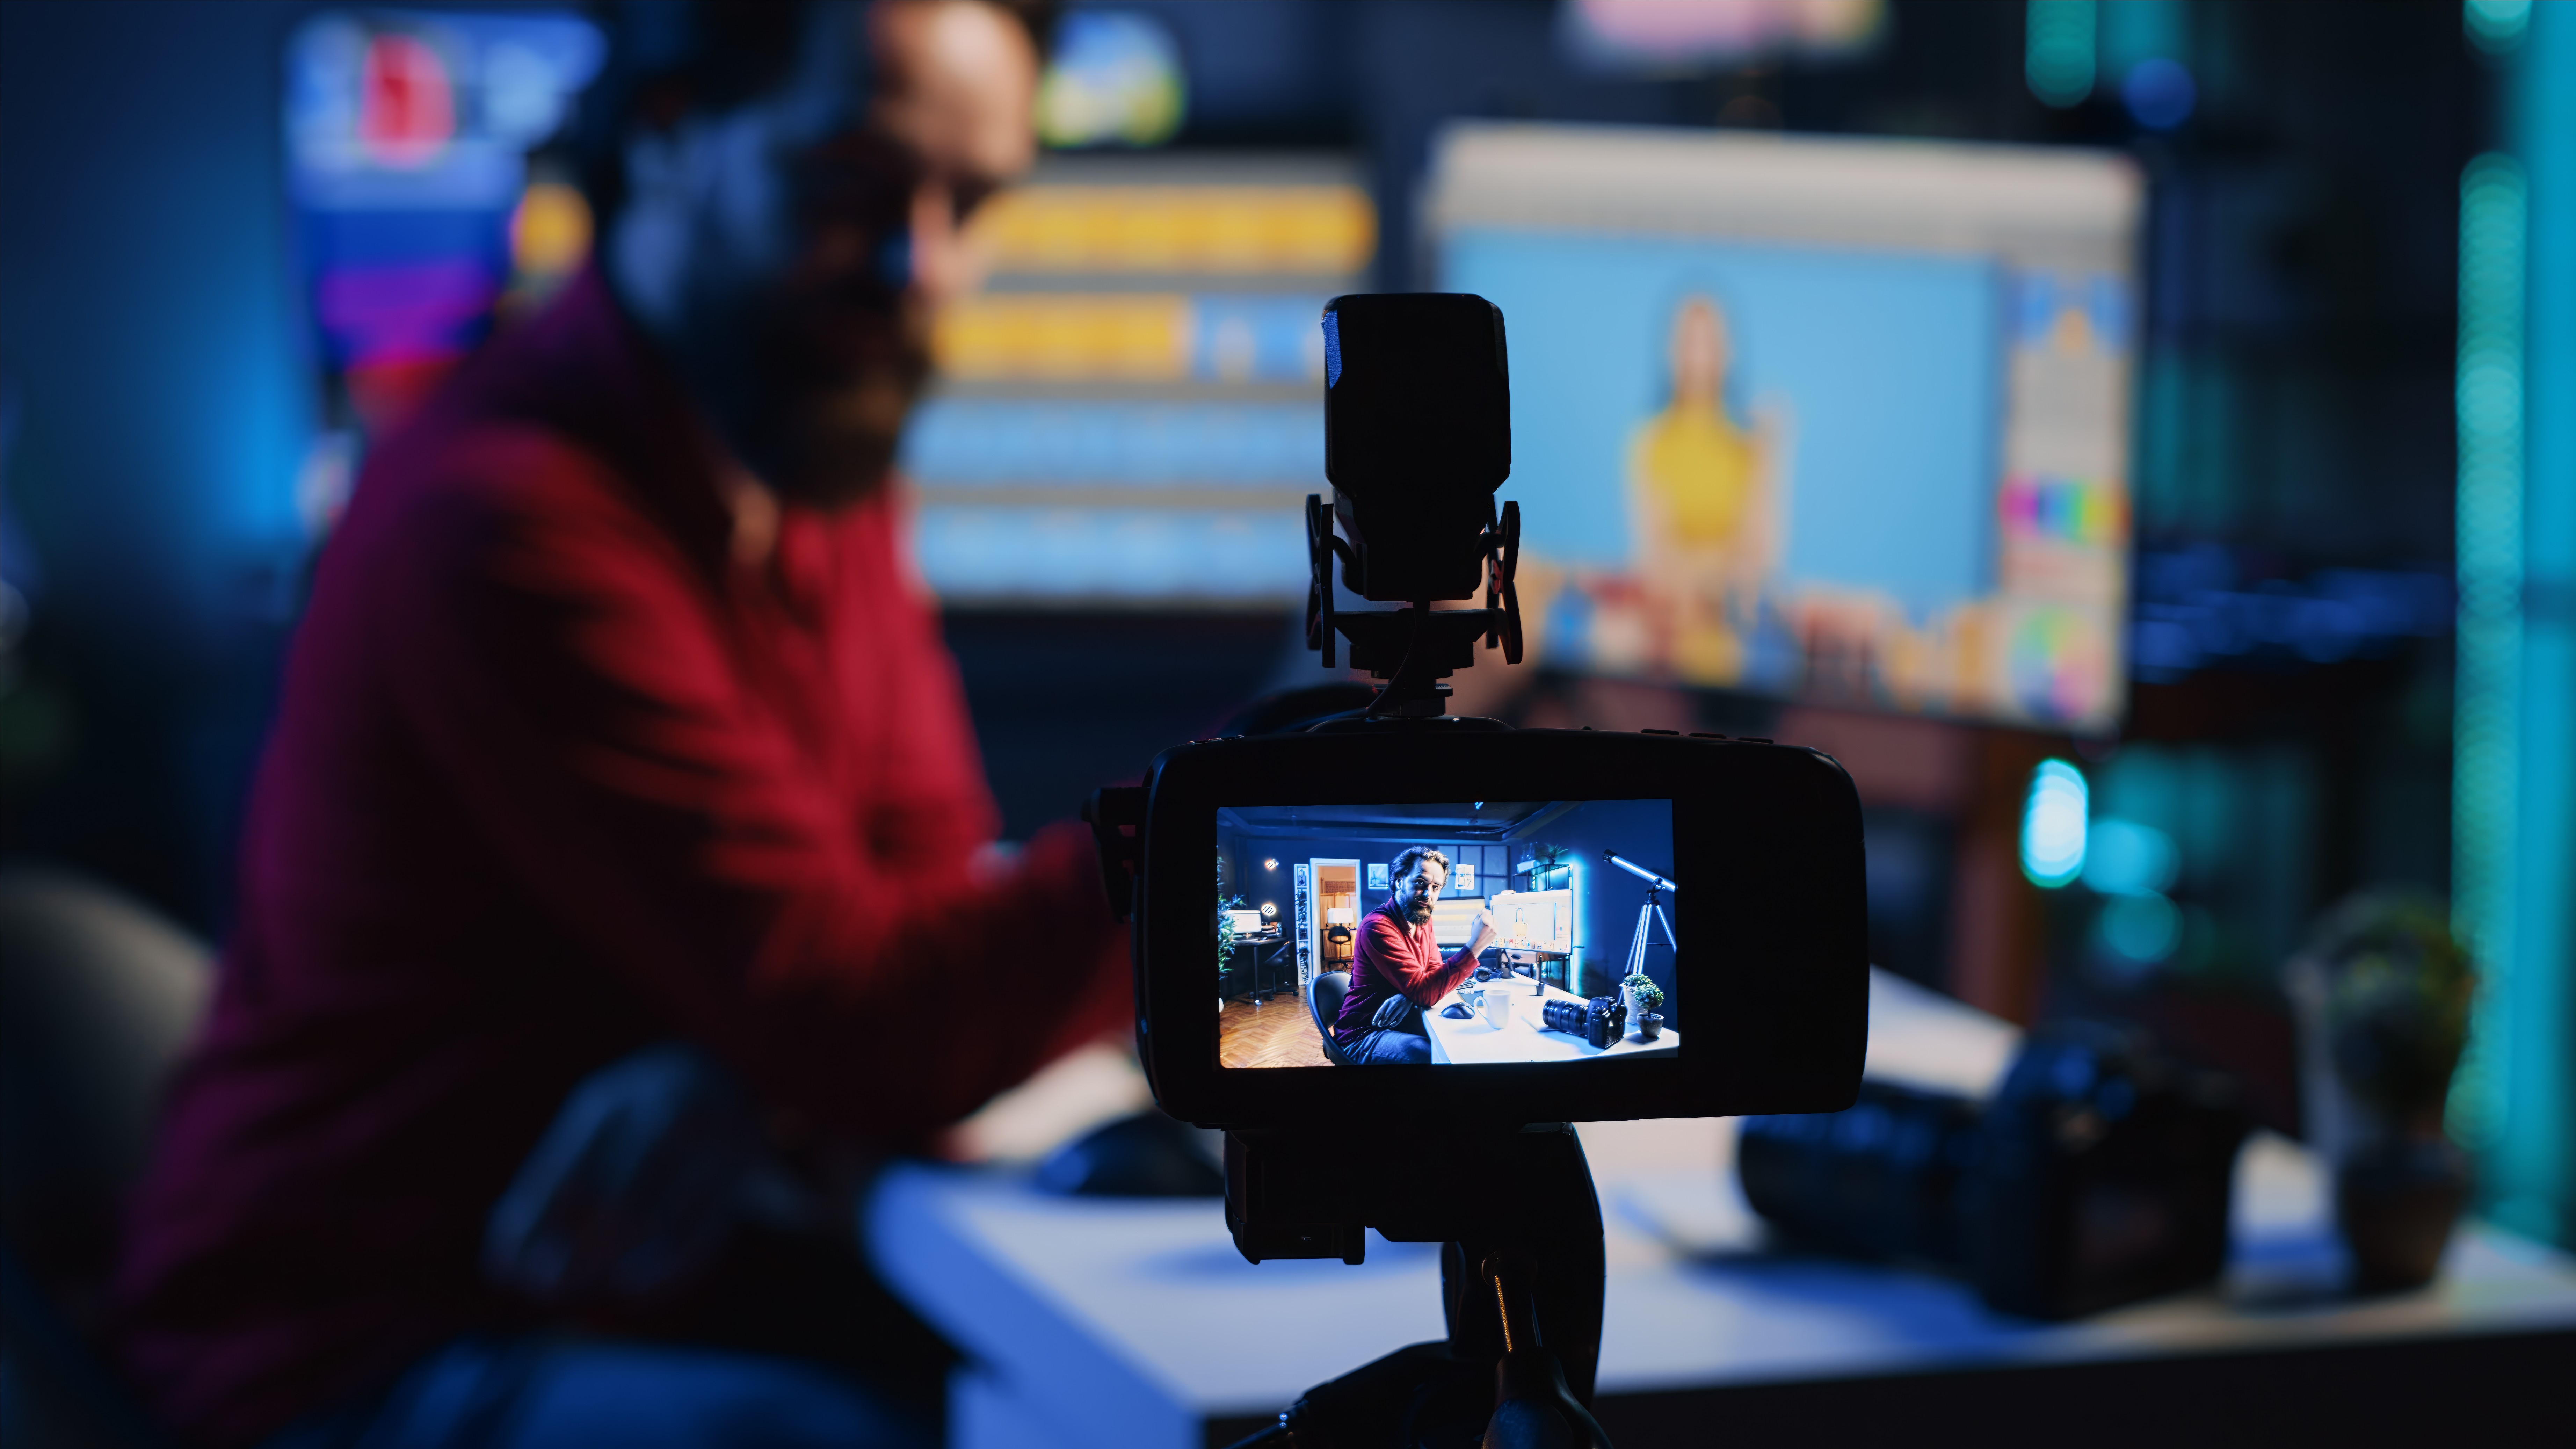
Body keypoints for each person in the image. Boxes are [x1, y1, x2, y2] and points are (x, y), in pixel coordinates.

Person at [110, 4, 1120, 1447]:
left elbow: (919, 882)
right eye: (851, 191)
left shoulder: (802, 434)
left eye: (974, 205)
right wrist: (1247, 808)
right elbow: (876, 1017)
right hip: (357, 1347)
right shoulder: (505, 520)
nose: (924, 271)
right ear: (665, 138)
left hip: (633, 1285)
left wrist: (754, 1070)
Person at [1626, 292, 1787, 684]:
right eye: (1689, 342)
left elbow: (1763, 563)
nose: (1699, 356)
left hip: (1745, 652)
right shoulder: (1652, 442)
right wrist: (1718, 570)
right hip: (1673, 652)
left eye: (1709, 342)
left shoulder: (1748, 447)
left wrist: (1772, 454)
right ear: (1671, 350)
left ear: (1727, 352)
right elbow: (1655, 563)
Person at [1330, 848, 1498, 1064]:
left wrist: (1411, 995)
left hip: (1399, 1023)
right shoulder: (1378, 927)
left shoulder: (1423, 919)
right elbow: (1426, 990)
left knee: (1463, 1043)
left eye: (1436, 887)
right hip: (1364, 1033)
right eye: (1421, 883)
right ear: (1399, 880)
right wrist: (1474, 948)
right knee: (1431, 1055)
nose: (1428, 894)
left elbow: (1433, 974)